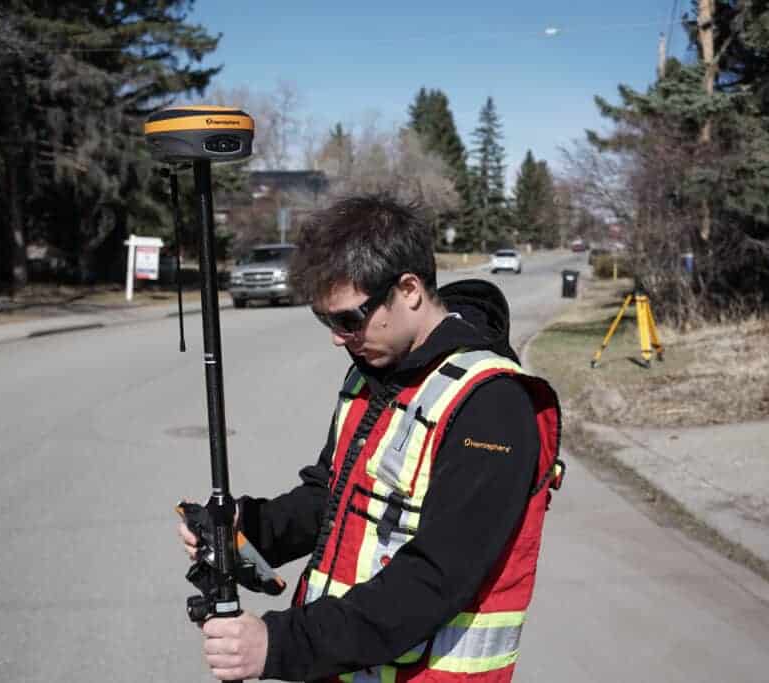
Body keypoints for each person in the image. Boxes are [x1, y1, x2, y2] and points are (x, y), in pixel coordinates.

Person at [179, 194, 563, 682]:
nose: (338, 338)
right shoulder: (373, 374)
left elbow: (433, 578)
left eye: (348, 319)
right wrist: (248, 529)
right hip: (346, 667)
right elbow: (333, 496)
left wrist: (281, 643)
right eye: (326, 320)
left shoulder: (492, 406)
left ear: (409, 289)